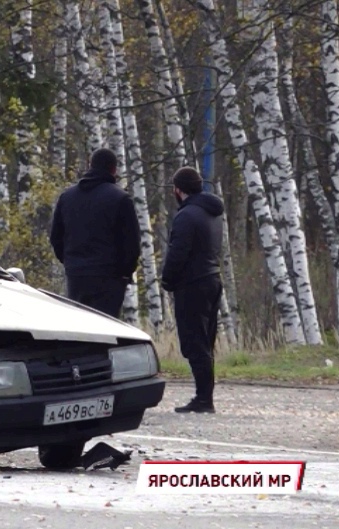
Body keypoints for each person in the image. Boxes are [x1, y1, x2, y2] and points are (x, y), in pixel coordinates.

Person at [160, 166, 224, 414]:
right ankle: (204, 395)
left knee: (194, 342)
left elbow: (178, 252)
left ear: (178, 189)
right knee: (206, 341)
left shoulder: (186, 216)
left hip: (192, 283)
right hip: (212, 279)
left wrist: (167, 279)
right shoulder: (212, 213)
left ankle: (203, 399)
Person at [49, 148, 140, 319]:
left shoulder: (67, 197)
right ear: (114, 170)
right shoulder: (120, 199)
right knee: (107, 330)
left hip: (77, 275)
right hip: (109, 277)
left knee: (82, 329)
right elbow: (132, 245)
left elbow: (56, 237)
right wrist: (124, 272)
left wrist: (70, 261)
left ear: (90, 165)